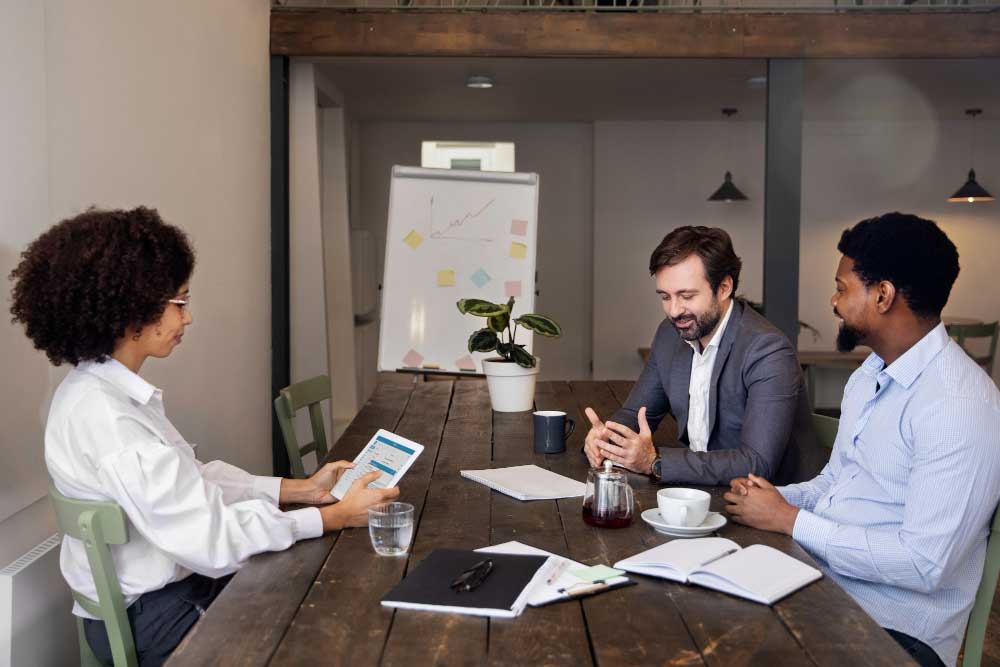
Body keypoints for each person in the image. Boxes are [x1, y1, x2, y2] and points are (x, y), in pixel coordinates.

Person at [9, 207, 399, 667]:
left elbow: (189, 478)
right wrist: (330, 519)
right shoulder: (111, 419)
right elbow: (213, 544)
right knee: (333, 627)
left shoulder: (98, 389)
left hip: (163, 596)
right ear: (129, 309)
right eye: (179, 303)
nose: (188, 318)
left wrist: (297, 490)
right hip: (157, 617)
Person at [724, 212, 1000, 667]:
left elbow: (924, 564)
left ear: (883, 295)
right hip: (828, 590)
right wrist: (765, 498)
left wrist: (790, 520)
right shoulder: (870, 376)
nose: (834, 301)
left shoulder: (958, 405)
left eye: (842, 287)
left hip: (898, 633)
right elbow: (837, 482)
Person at [583, 225, 823, 485]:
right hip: (704, 491)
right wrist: (606, 439)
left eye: (686, 296)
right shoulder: (669, 334)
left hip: (773, 503)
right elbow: (636, 413)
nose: (674, 311)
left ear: (724, 288)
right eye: (665, 296)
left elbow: (757, 463)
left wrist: (655, 462)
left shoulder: (767, 350)